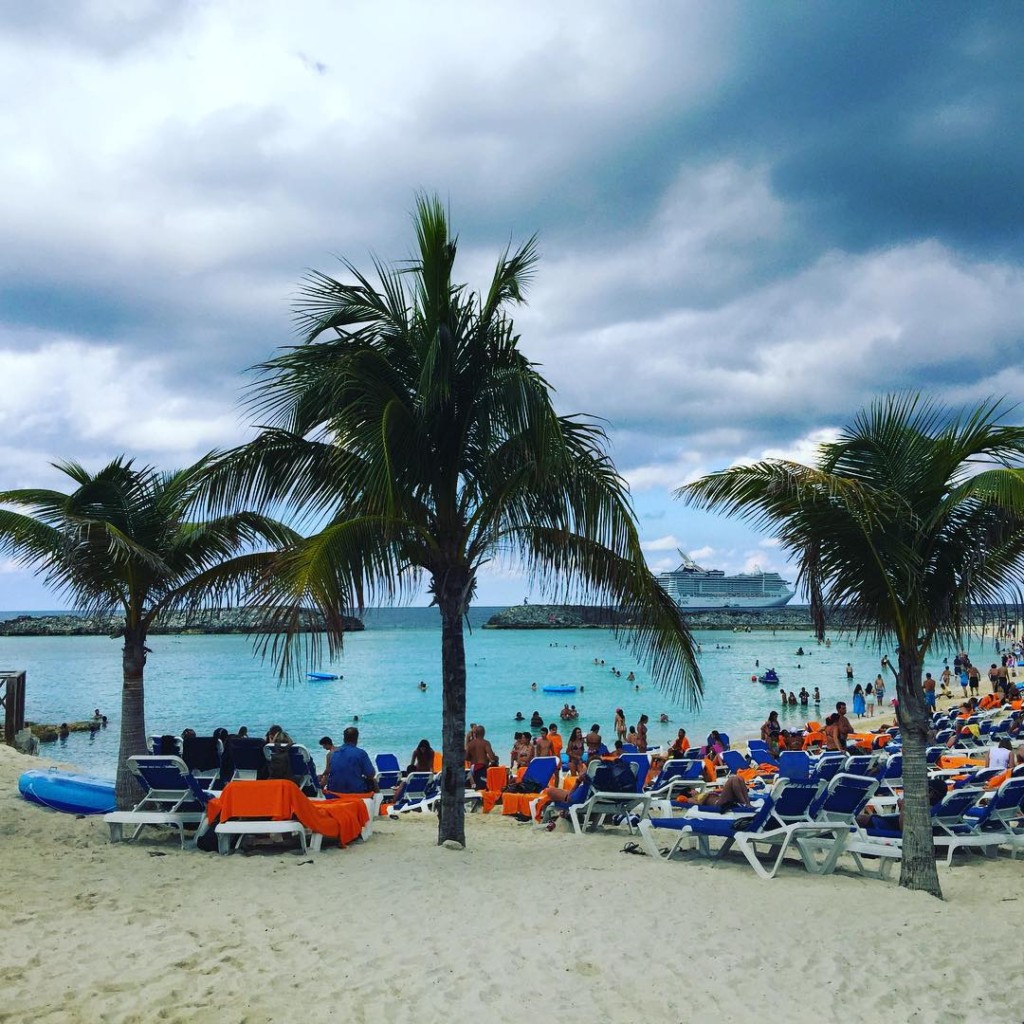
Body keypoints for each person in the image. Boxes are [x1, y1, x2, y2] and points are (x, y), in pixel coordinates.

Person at [325, 726, 377, 793]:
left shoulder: (333, 754)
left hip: (334, 790)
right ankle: (378, 802)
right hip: (355, 790)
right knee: (373, 781)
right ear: (356, 739)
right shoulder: (360, 753)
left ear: (344, 739)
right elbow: (370, 774)